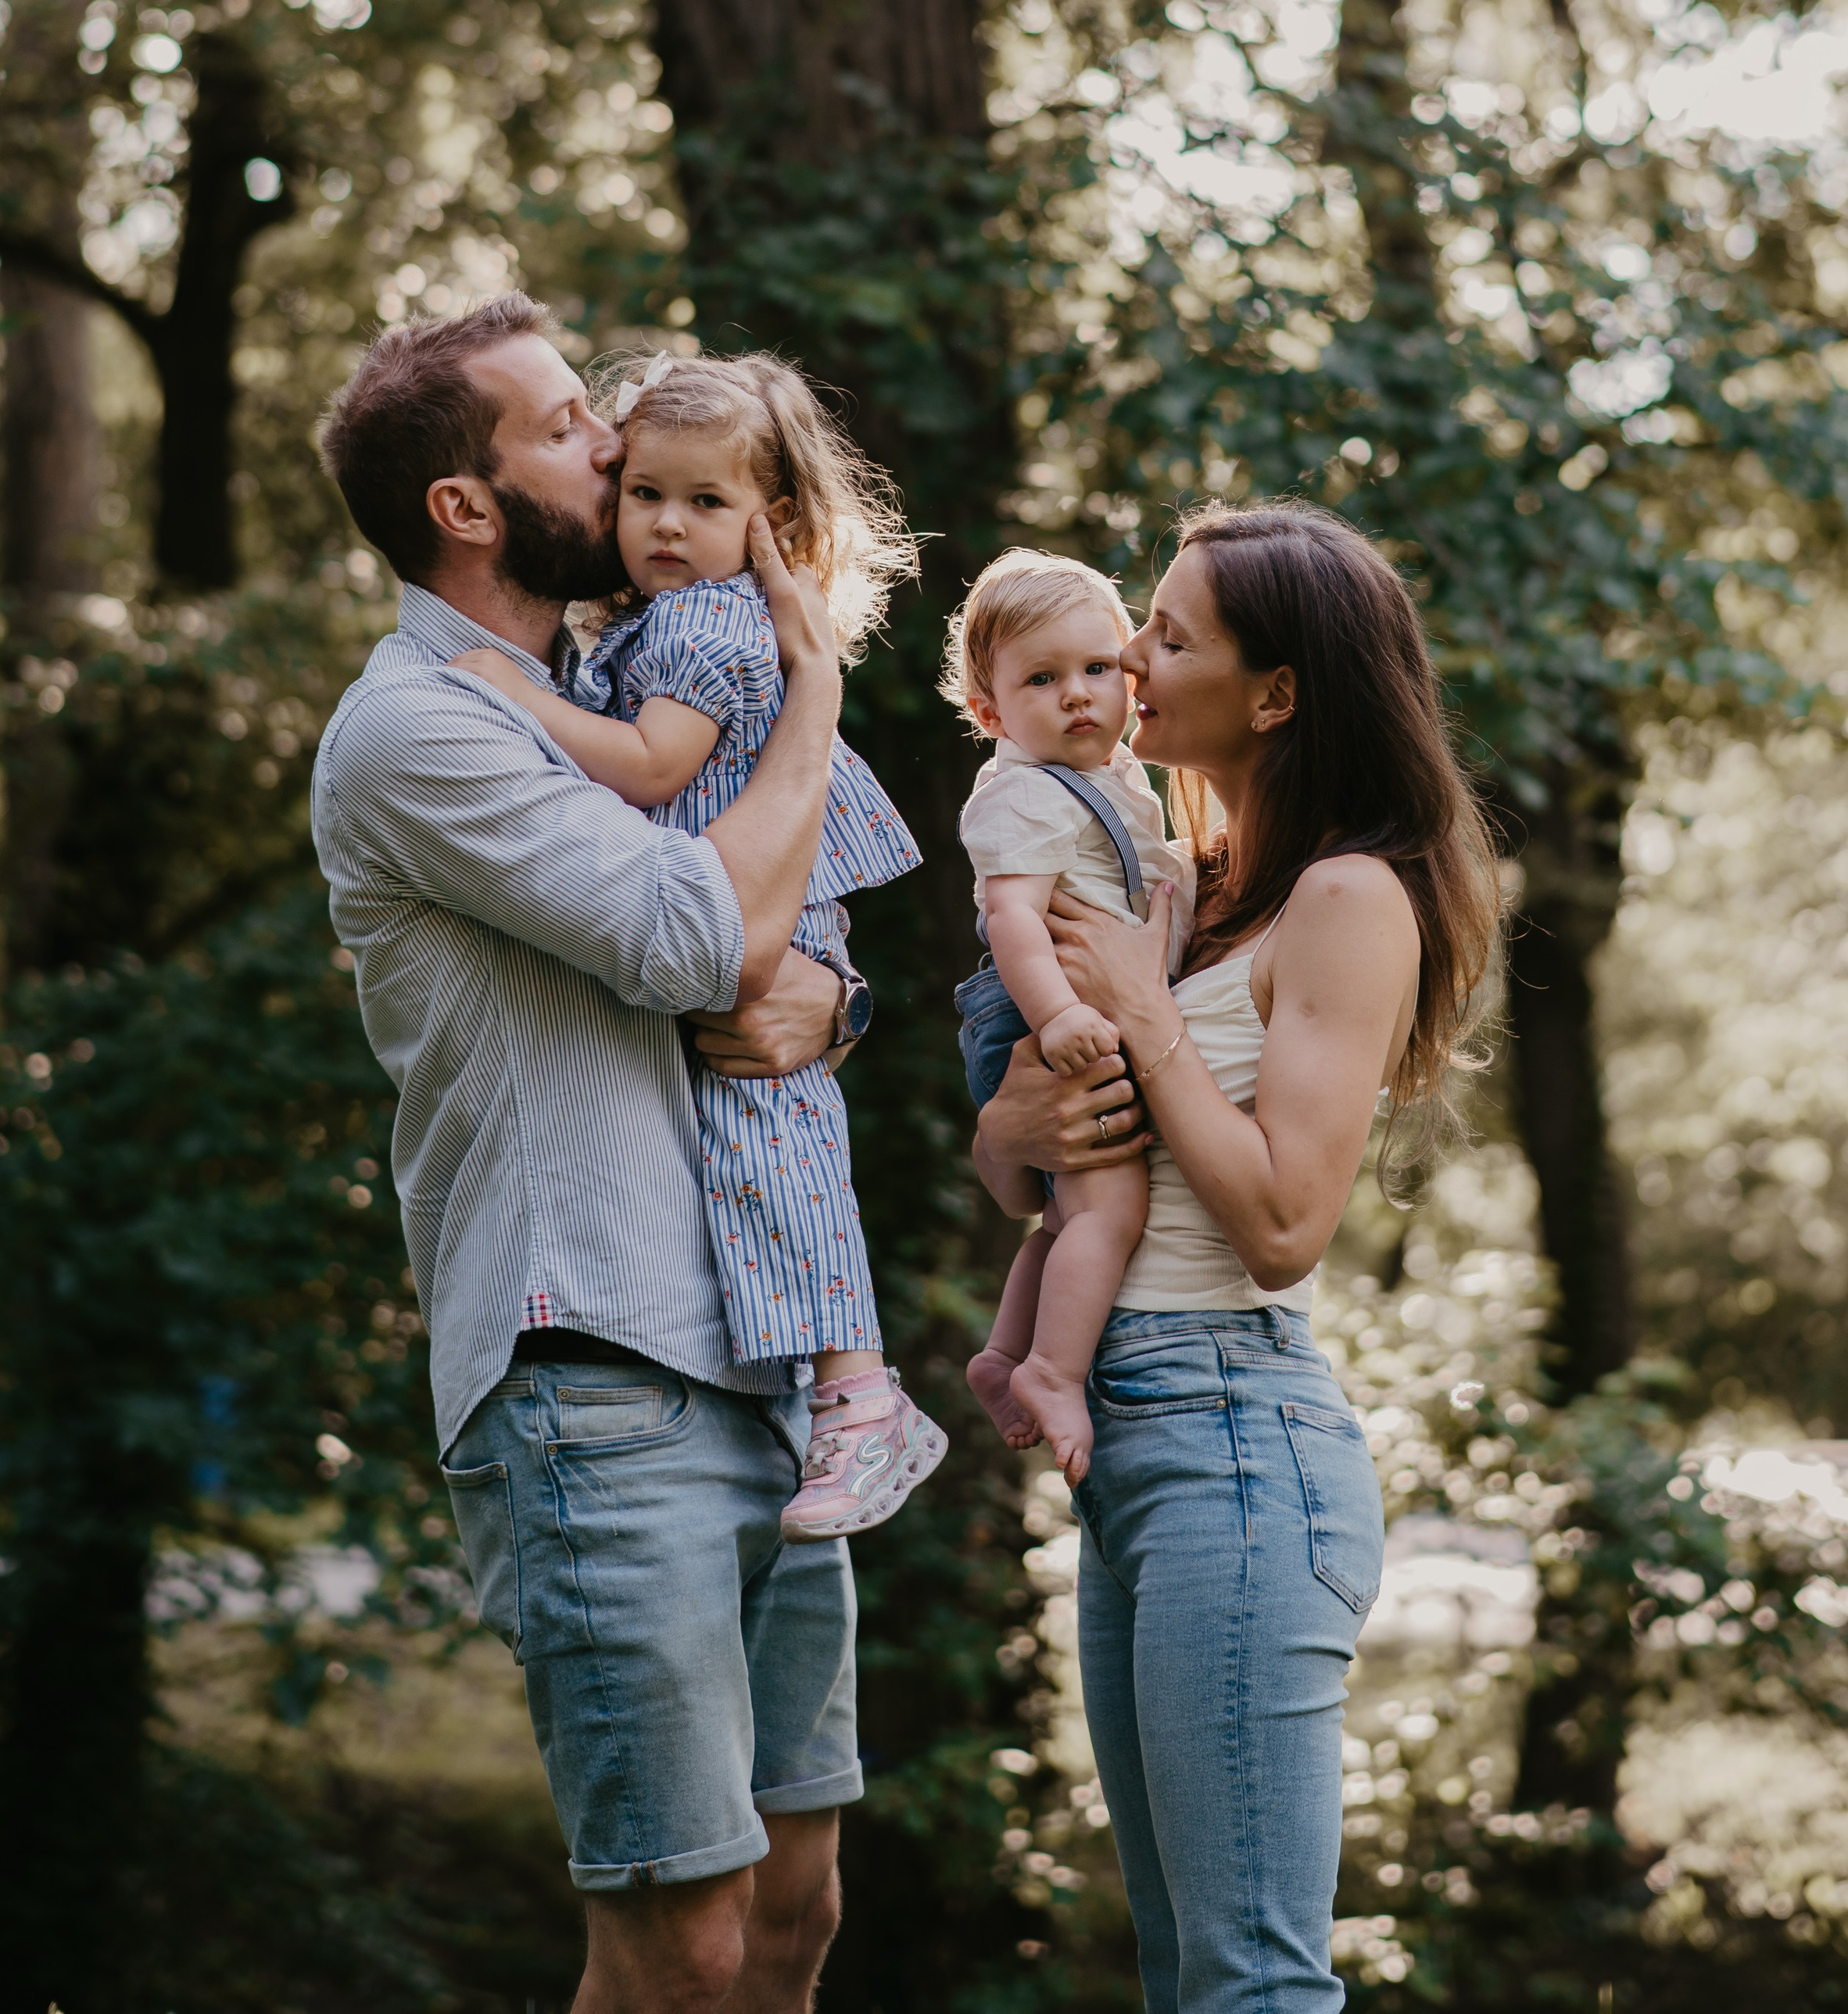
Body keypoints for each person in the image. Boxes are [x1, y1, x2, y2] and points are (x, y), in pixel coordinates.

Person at [310, 293, 869, 2014]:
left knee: (794, 1913)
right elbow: (700, 939)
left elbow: (787, 955)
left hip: (766, 1351)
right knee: (680, 1938)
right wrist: (813, 696)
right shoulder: (425, 725)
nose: (617, 446)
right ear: (463, 507)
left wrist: (832, 1004)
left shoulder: (624, 670)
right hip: (593, 1369)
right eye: (565, 426)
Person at [971, 501, 1499, 2014]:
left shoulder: (1350, 896)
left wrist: (1138, 1008)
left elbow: (1279, 1225)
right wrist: (1016, 1107)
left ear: (1275, 693)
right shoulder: (1186, 884)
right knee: (1185, 1972)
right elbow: (1021, 1175)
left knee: (1252, 1984)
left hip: (1238, 1445)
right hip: (1134, 1439)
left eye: (1174, 633)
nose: (1131, 656)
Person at [451, 345, 945, 1539]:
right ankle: (839, 1389)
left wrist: (517, 700)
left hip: (768, 910)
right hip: (738, 904)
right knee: (760, 1137)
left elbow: (655, 768)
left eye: (706, 503)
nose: (666, 525)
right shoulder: (659, 620)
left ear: (769, 525)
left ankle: (862, 1395)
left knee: (777, 1139)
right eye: (645, 494)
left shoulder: (710, 631)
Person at [944, 547, 1194, 1482]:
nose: (1078, 694)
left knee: (1062, 1220)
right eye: (1041, 679)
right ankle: (1054, 1368)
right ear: (991, 712)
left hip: (1075, 1008)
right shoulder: (1020, 791)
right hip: (1043, 1015)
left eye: (1096, 668)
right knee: (1112, 1204)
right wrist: (1053, 1016)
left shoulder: (1110, 771)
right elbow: (1012, 916)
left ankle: (1006, 1353)